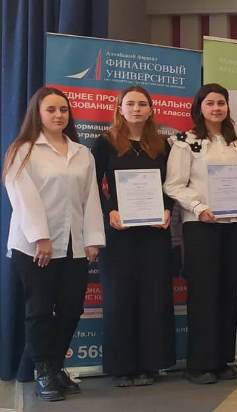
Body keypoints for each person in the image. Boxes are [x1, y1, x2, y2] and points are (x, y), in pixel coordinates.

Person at [4, 87, 104, 401]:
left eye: (63, 110)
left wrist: (93, 239)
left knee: (72, 307)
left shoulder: (82, 152)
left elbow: (90, 199)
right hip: (33, 246)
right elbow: (23, 197)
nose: (59, 115)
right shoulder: (23, 150)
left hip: (74, 244)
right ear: (38, 113)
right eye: (51, 110)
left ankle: (56, 364)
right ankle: (43, 371)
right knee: (39, 309)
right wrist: (41, 237)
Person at [164, 83, 237, 384]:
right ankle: (199, 364)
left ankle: (222, 359)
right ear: (199, 107)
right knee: (204, 294)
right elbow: (173, 185)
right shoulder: (185, 142)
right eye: (210, 103)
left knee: (227, 291)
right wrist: (199, 207)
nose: (216, 108)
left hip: (232, 225)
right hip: (201, 226)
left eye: (221, 103)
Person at [93, 86, 175, 387]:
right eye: (131, 104)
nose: (137, 109)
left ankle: (150, 364)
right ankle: (122, 367)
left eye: (142, 104)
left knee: (154, 296)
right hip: (120, 234)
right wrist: (109, 212)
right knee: (120, 297)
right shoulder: (105, 142)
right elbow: (91, 184)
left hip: (155, 233)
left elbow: (172, 184)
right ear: (120, 108)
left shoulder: (163, 144)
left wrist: (168, 210)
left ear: (151, 109)